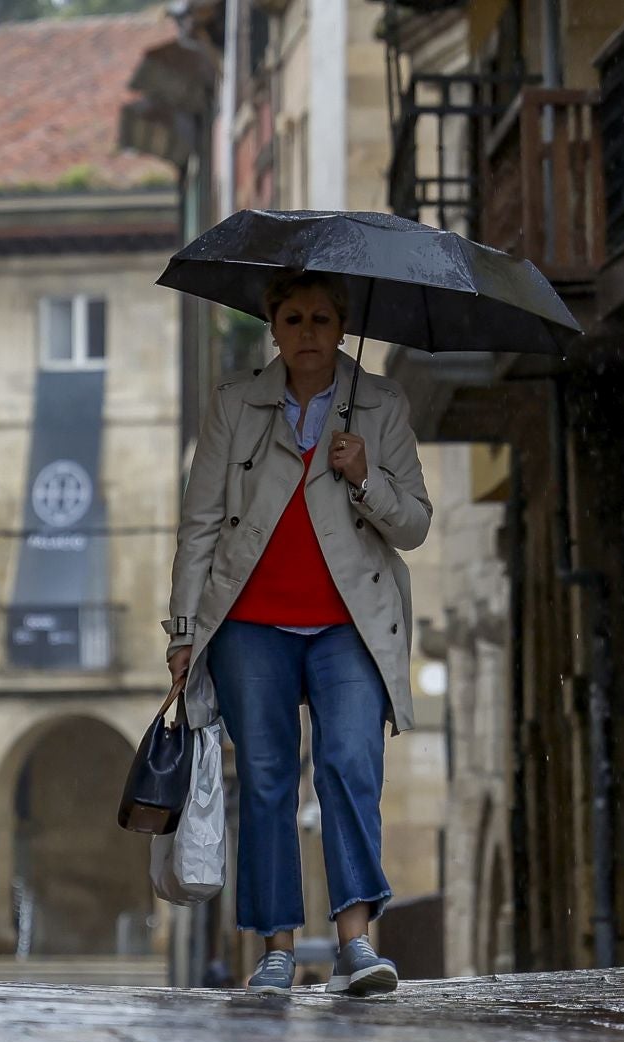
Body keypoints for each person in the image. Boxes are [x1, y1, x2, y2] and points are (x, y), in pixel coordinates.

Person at [165, 270, 432, 995]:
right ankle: (277, 949)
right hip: (251, 623)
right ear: (273, 327)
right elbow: (198, 526)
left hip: (350, 623)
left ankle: (355, 944)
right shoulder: (233, 405)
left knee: (350, 764)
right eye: (292, 319)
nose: (307, 332)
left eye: (320, 318)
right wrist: (185, 631)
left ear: (341, 326)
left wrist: (366, 475)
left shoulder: (379, 403)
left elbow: (414, 522)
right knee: (268, 781)